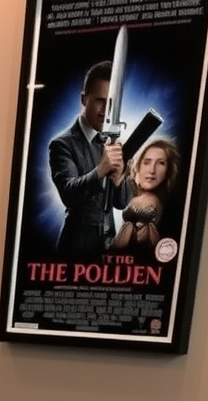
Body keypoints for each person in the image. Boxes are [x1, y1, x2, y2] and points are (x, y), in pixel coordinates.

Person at [48, 61, 129, 257]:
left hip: (109, 244)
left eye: (112, 103)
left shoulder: (114, 141)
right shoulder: (61, 144)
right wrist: (100, 171)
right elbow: (68, 194)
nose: (106, 110)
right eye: (100, 100)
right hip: (75, 246)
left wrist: (119, 181)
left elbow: (122, 203)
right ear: (84, 99)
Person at [113, 138, 182, 259]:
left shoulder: (170, 206)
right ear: (138, 166)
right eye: (147, 162)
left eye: (161, 163)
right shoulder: (128, 191)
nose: (152, 170)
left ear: (168, 170)